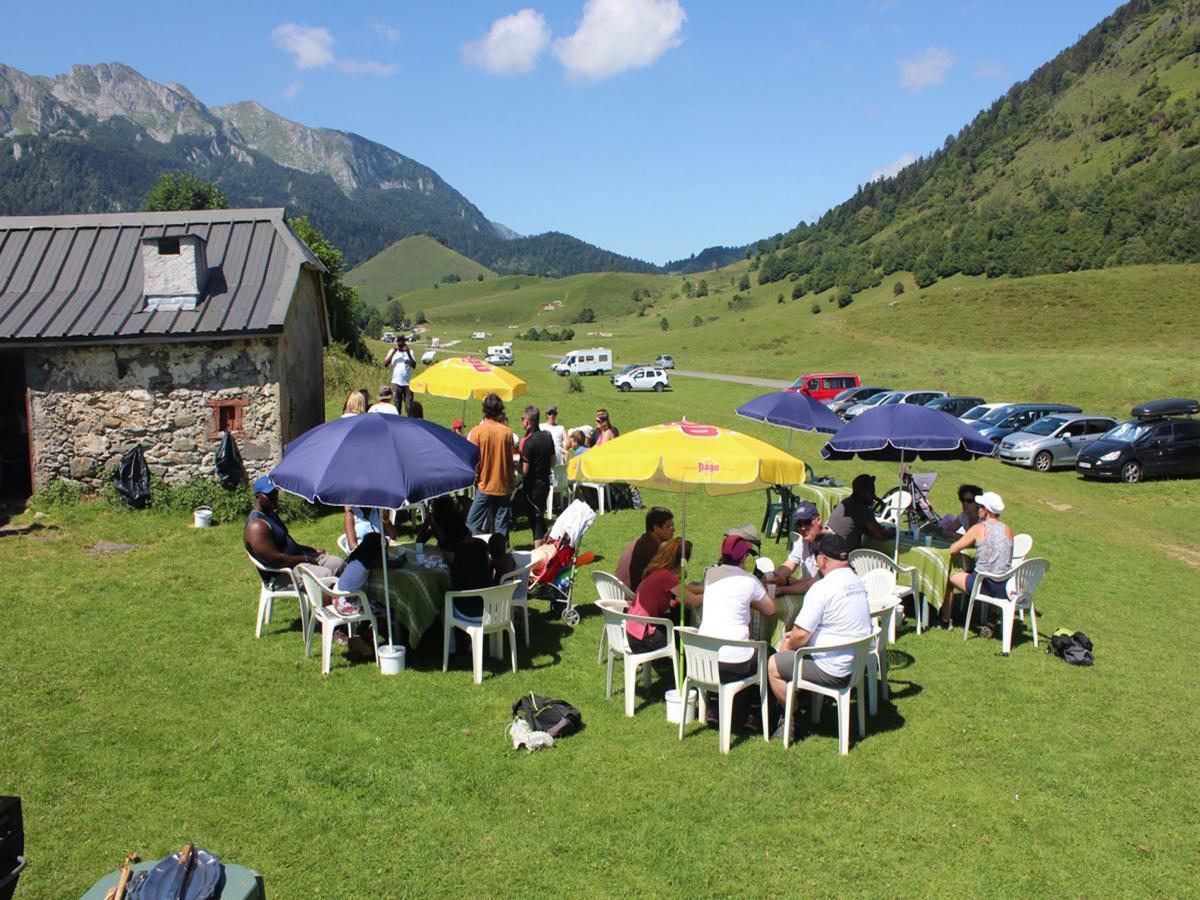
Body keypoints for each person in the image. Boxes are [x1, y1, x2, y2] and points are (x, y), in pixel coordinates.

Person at [767, 533, 872, 738]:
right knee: (792, 645)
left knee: (774, 664)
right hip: (855, 663)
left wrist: (786, 648)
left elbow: (801, 636)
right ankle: (801, 701)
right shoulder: (857, 582)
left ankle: (792, 717)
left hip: (833, 668)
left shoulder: (822, 588)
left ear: (823, 560)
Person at [688, 534, 776, 729]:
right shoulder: (749, 580)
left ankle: (713, 706)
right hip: (733, 664)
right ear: (743, 558)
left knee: (722, 643)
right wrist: (752, 598)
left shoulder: (710, 574)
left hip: (702, 660)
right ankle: (755, 712)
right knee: (768, 654)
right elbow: (770, 609)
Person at [244, 475, 343, 579]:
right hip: (284, 573)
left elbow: (289, 544)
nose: (274, 497)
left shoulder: (271, 515)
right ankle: (330, 594)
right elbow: (275, 560)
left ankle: (349, 595)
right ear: (258, 497)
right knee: (325, 575)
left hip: (297, 560)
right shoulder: (256, 526)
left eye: (275, 492)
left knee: (338, 563)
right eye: (269, 495)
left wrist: (311, 550)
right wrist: (305, 559)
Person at [942, 491, 1013, 627]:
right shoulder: (1008, 530)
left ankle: (946, 620)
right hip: (1004, 585)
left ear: (986, 511)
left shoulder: (979, 529)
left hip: (983, 584)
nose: (978, 508)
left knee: (949, 577)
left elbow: (953, 549)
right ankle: (993, 614)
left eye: (981, 506)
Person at [625, 538, 692, 655]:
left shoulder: (658, 571)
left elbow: (684, 589)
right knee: (684, 633)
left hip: (633, 632)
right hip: (642, 638)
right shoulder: (665, 576)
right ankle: (681, 664)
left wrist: (704, 588)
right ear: (683, 561)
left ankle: (669, 663)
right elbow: (693, 600)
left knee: (679, 616)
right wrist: (712, 592)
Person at [467, 393, 516, 536]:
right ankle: (501, 556)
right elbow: (509, 460)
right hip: (503, 485)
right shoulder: (507, 433)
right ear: (500, 411)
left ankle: (476, 551)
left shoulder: (477, 431)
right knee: (501, 526)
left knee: (473, 523)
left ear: (484, 410)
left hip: (485, 484)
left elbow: (473, 460)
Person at [769, 502, 826, 598]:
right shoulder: (804, 540)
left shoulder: (831, 543)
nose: (803, 528)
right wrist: (777, 578)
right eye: (799, 524)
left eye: (807, 522)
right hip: (808, 591)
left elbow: (818, 583)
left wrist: (786, 585)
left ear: (819, 520)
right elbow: (790, 563)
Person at [615, 507, 675, 592]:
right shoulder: (652, 548)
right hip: (632, 597)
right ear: (656, 528)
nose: (673, 530)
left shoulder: (640, 541)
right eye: (668, 527)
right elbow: (665, 581)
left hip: (617, 592)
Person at [520, 405, 556, 546]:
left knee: (536, 521)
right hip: (545, 483)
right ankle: (550, 546)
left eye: (523, 419)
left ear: (528, 421)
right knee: (539, 516)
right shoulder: (547, 438)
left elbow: (525, 470)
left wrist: (516, 465)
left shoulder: (527, 442)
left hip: (532, 486)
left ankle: (538, 555)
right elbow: (553, 462)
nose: (522, 421)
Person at [827, 473, 893, 550]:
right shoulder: (862, 509)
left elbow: (865, 529)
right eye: (871, 491)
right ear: (863, 493)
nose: (874, 495)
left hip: (830, 547)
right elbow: (881, 535)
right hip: (841, 555)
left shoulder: (847, 502)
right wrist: (891, 533)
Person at [383, 335, 416, 414]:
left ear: (405, 342)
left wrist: (408, 352)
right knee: (397, 406)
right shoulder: (392, 351)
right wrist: (393, 352)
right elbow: (385, 364)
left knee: (409, 406)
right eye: (399, 342)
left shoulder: (410, 351)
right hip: (396, 382)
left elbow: (414, 365)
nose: (401, 344)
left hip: (407, 383)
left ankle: (409, 423)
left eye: (402, 342)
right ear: (396, 342)